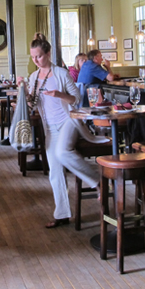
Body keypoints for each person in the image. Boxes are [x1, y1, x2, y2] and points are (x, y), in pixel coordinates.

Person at [25, 33, 110, 229]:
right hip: (50, 128)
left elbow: (77, 100)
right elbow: (33, 104)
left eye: (38, 56)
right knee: (55, 172)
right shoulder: (34, 77)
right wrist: (25, 93)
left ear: (47, 54)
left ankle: (98, 180)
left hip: (68, 121)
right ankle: (62, 214)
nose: (35, 60)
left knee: (63, 152)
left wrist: (59, 94)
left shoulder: (61, 74)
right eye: (32, 57)